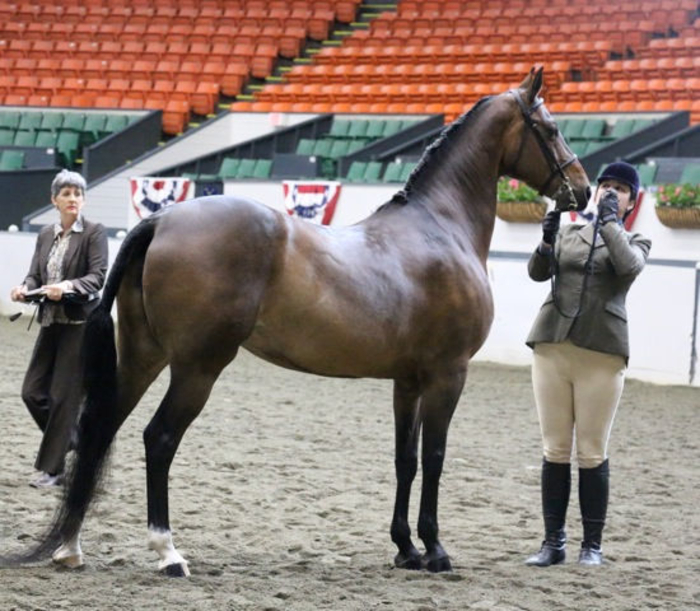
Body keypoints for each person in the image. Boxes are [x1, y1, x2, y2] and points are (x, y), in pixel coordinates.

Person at [523, 161, 651, 566]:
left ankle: (591, 545)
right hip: (552, 345)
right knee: (555, 447)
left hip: (601, 349)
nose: (611, 192)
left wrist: (610, 222)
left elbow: (627, 267)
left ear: (633, 200)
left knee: (592, 451)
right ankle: (553, 543)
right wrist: (545, 243)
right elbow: (536, 273)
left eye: (621, 189)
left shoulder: (637, 240)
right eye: (605, 186)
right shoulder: (569, 233)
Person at [10, 169, 108, 488]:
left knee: (63, 397)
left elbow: (97, 277)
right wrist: (24, 288)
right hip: (50, 323)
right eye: (66, 194)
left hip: (79, 324)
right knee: (32, 393)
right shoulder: (44, 234)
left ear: (83, 200)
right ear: (54, 200)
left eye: (77, 194)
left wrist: (66, 287)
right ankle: (77, 446)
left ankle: (54, 470)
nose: (73, 199)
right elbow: (35, 275)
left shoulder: (94, 232)